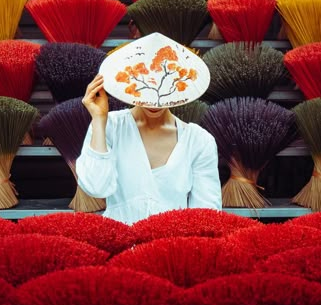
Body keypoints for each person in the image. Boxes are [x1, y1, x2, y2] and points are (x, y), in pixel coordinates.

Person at [75, 33, 222, 225]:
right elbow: (96, 187)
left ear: (179, 82)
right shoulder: (110, 125)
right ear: (131, 79)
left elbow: (207, 215)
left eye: (165, 81)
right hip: (120, 247)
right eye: (146, 83)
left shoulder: (199, 141)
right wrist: (99, 120)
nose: (154, 98)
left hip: (172, 249)